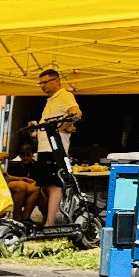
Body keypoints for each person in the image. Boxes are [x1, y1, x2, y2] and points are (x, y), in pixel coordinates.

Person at [28, 68, 81, 226]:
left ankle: (50, 222)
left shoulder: (64, 95)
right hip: (44, 149)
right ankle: (48, 219)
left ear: (56, 81)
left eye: (45, 82)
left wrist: (62, 126)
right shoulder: (50, 100)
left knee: (54, 185)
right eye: (40, 83)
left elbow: (76, 113)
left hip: (55, 150)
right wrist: (37, 130)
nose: (43, 86)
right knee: (43, 186)